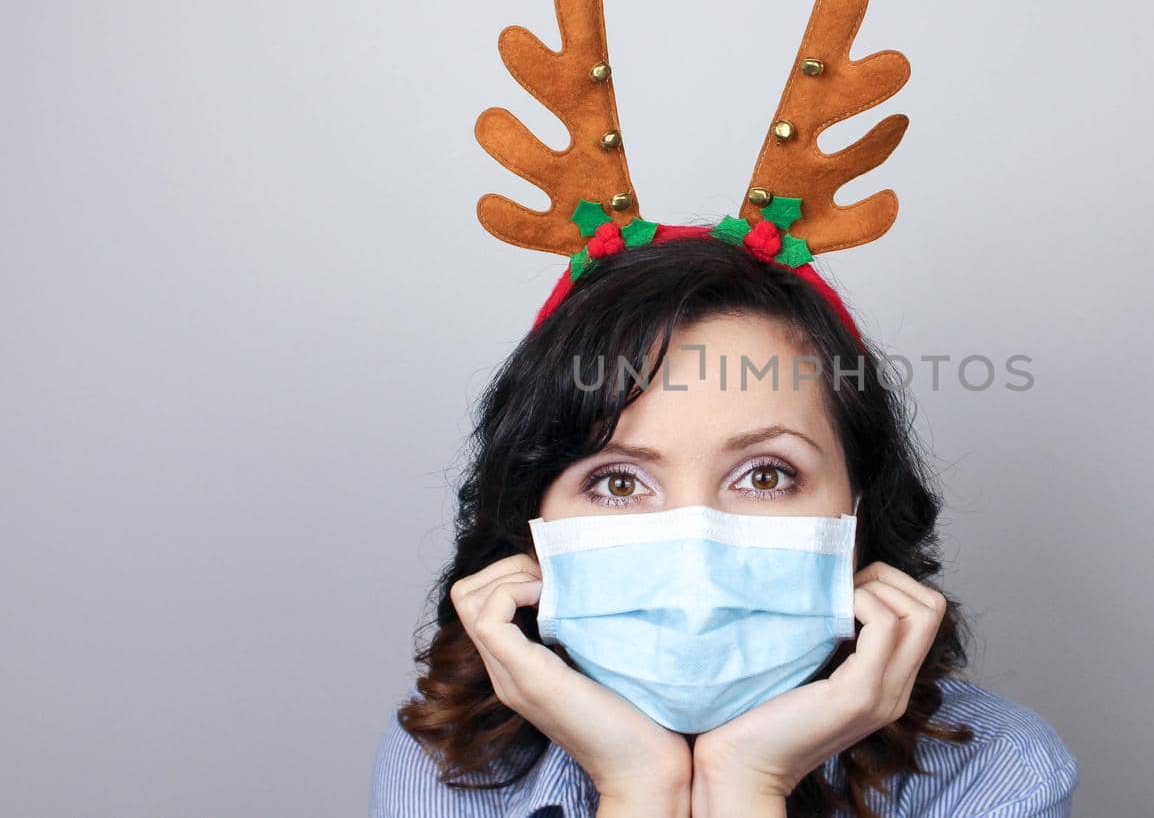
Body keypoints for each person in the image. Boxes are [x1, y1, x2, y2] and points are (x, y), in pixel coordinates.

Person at [369, 235, 1079, 817]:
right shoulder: (448, 766)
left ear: (861, 515)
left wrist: (750, 783)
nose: (696, 554)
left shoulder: (997, 771)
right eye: (618, 481)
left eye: (766, 475)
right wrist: (636, 788)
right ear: (529, 533)